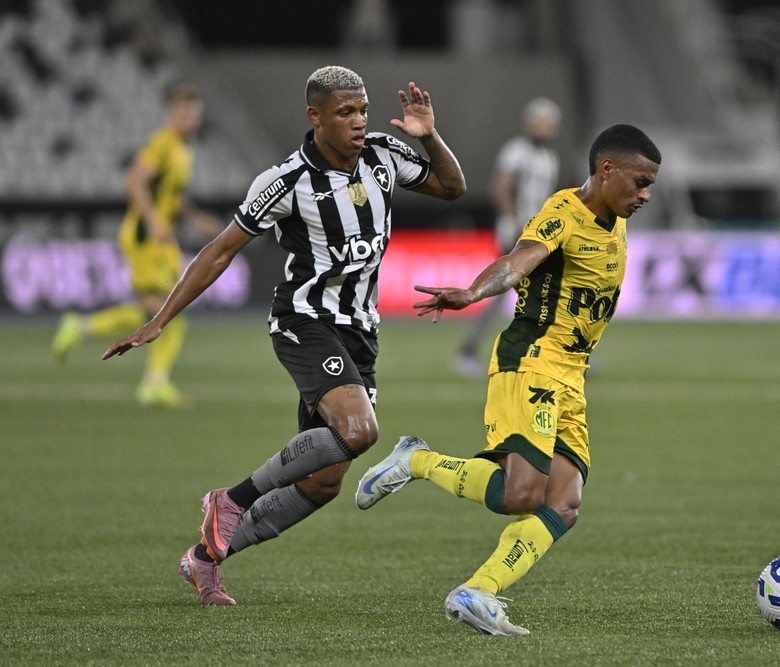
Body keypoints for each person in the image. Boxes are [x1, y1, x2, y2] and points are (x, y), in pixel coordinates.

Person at [102, 65, 466, 606]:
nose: (359, 122)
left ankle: (205, 559)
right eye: (346, 112)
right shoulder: (287, 181)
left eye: (363, 110)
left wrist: (430, 134)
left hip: (361, 332)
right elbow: (219, 250)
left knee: (324, 481)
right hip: (304, 321)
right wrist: (161, 318)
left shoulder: (384, 155)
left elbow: (451, 188)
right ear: (315, 117)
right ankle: (230, 500)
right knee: (361, 430)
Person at [355, 124, 661, 635]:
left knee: (564, 503)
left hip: (572, 375)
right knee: (523, 494)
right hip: (533, 362)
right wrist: (474, 292)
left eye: (650, 185)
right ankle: (417, 460)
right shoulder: (563, 212)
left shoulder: (616, 217)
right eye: (640, 182)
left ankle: (478, 591)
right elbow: (520, 261)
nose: (646, 195)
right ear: (606, 170)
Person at [51, 83, 222, 407]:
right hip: (146, 239)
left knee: (168, 312)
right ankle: (86, 329)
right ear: (173, 114)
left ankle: (153, 381)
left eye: (194, 113)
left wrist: (194, 218)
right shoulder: (162, 143)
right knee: (161, 310)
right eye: (184, 112)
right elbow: (134, 181)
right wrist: (154, 219)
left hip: (162, 242)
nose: (190, 119)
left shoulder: (183, 151)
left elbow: (170, 195)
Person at [456, 96, 562, 377]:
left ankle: (562, 352)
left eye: (550, 123)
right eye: (541, 122)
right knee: (502, 291)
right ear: (530, 123)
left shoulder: (549, 156)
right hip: (518, 233)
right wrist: (516, 221)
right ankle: (468, 351)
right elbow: (501, 187)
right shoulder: (517, 151)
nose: (546, 128)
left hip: (540, 235)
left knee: (551, 291)